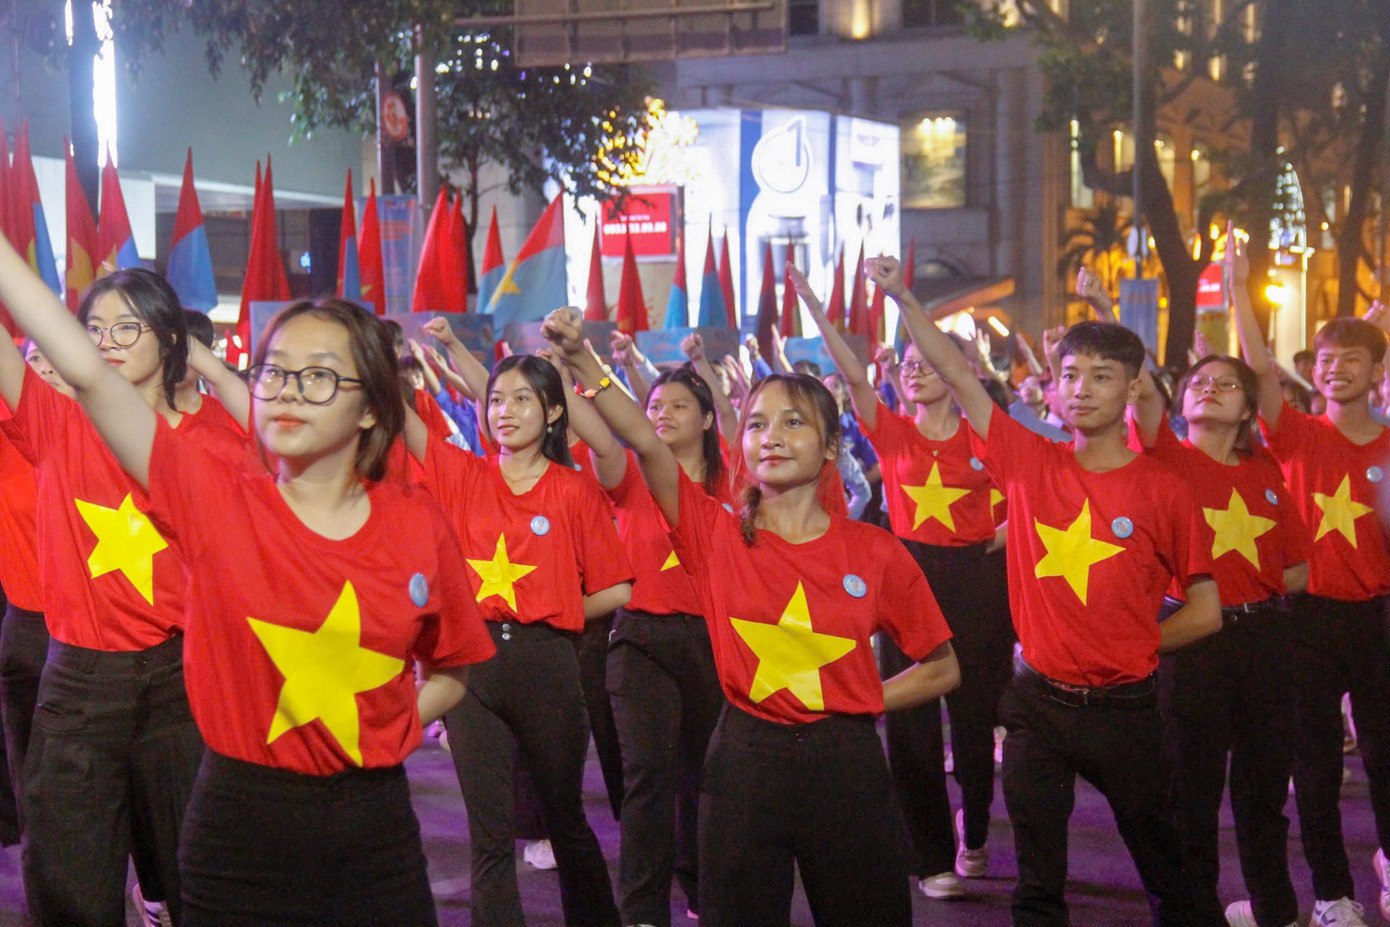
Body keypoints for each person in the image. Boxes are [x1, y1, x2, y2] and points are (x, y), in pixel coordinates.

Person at [0, 241, 495, 923]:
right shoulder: (217, 500)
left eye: (319, 376)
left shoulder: (414, 522)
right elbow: (86, 373)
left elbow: (455, 666)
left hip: (375, 820)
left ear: (375, 408)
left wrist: (389, 722)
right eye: (275, 373)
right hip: (237, 814)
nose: (288, 390)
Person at [543, 306, 961, 927]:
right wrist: (583, 359)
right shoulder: (712, 533)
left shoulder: (876, 552)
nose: (772, 435)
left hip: (847, 766)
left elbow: (942, 668)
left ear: (830, 447)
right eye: (758, 423)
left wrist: (861, 694)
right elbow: (647, 444)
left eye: (794, 423)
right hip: (744, 763)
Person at [871, 253, 1221, 927]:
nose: (1082, 388)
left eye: (1101, 375)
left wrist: (1137, 639)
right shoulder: (1027, 458)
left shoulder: (1163, 488)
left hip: (1129, 710)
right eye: (1069, 375)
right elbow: (954, 371)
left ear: (1132, 387)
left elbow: (1205, 610)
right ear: (1051, 390)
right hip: (1035, 707)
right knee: (1036, 890)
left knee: (1172, 880)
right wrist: (905, 298)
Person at [0, 255, 251, 926]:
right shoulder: (56, 419)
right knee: (71, 883)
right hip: (80, 687)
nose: (105, 340)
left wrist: (215, 366)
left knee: (198, 875)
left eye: (126, 326)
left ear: (170, 340)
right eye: (94, 327)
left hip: (183, 681)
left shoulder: (216, 441)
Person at [791, 263, 1012, 898]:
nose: (914, 369)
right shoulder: (892, 433)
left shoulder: (984, 435)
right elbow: (856, 376)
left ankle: (974, 829)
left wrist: (990, 545)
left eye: (926, 361)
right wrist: (812, 301)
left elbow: (1017, 508)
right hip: (907, 581)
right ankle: (933, 857)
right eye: (908, 362)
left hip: (975, 581)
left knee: (973, 719)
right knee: (912, 721)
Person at [406, 317, 631, 927]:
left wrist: (555, 607)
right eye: (496, 400)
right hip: (472, 670)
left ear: (554, 413)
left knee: (565, 820)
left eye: (522, 399)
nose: (504, 411)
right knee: (489, 834)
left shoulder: (572, 490)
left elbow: (616, 588)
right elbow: (400, 418)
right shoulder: (460, 472)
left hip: (549, 665)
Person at [1130, 242, 1312, 927]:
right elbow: (1141, 385)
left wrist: (1239, 289)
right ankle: (1195, 911)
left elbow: (1296, 567)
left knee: (1264, 790)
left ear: (1246, 411)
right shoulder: (1166, 460)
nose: (1209, 387)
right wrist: (1102, 311)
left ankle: (1276, 909)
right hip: (1194, 642)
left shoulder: (1267, 474)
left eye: (1225, 384)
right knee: (1191, 791)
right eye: (1198, 381)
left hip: (1266, 640)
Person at [1230, 227, 1390, 927]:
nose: (1336, 370)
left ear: (1376, 372)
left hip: (1379, 618)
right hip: (1304, 618)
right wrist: (1237, 287)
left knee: (1386, 758)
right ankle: (1334, 894)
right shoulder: (1294, 432)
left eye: (1352, 360)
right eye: (1326, 360)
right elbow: (1260, 368)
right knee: (1317, 765)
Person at [572, 361, 732, 927]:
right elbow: (599, 437)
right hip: (639, 640)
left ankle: (703, 889)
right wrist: (573, 369)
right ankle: (641, 909)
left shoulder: (731, 482)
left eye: (678, 406)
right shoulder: (630, 476)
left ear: (709, 419)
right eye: (655, 405)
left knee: (705, 776)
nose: (662, 413)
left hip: (716, 642)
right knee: (648, 776)